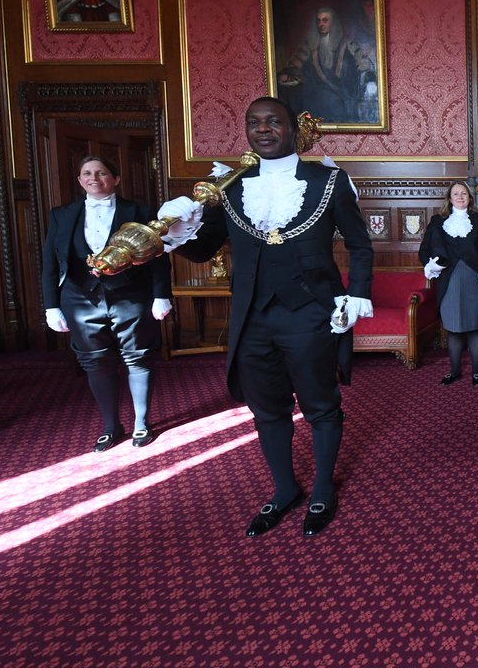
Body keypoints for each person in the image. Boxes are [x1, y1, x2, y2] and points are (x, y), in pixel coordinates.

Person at [158, 97, 374, 537]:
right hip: (251, 318)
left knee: (320, 406)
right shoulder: (230, 186)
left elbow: (360, 244)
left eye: (272, 121)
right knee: (266, 410)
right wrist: (179, 231)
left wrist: (357, 295)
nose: (263, 129)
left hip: (312, 313)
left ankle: (321, 490)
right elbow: (205, 248)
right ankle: (283, 489)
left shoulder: (328, 180)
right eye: (253, 122)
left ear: (292, 128)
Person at [41, 155, 172, 451]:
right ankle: (111, 427)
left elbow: (158, 260)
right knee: (95, 361)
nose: (94, 178)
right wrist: (51, 306)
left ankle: (141, 424)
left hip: (132, 296)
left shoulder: (139, 211)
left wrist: (161, 295)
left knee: (138, 357)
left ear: (115, 179)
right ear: (79, 180)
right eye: (87, 173)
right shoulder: (61, 214)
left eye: (101, 173)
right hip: (79, 298)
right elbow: (50, 263)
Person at [418, 181, 478, 386]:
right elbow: (424, 250)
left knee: (474, 327)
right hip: (449, 280)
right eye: (456, 193)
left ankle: (477, 372)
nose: (460, 197)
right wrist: (431, 266)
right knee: (453, 328)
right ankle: (454, 371)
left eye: (464, 193)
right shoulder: (438, 221)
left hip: (475, 279)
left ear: (469, 197)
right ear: (449, 197)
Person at [278, 7, 377, 123]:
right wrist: (287, 75)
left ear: (333, 22)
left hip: (342, 94)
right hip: (314, 95)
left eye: (325, 20)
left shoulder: (347, 45)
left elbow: (365, 65)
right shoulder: (308, 47)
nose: (321, 24)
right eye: (318, 21)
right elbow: (294, 67)